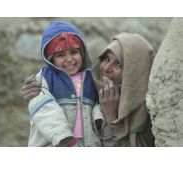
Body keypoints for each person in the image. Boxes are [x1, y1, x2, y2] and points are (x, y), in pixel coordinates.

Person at [22, 31, 155, 147]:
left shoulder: (152, 116)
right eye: (106, 58)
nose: (106, 68)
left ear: (134, 72)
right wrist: (35, 94)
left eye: (118, 64)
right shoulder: (94, 85)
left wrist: (110, 118)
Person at [26, 21, 103, 147]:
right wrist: (62, 136)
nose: (69, 59)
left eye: (74, 52)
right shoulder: (44, 78)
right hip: (56, 143)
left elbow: (100, 103)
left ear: (82, 53)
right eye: (61, 55)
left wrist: (99, 117)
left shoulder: (92, 78)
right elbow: (43, 109)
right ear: (50, 59)